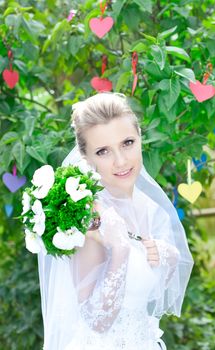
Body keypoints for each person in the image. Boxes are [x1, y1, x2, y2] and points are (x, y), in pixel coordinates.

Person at [38, 92, 194, 350]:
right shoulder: (90, 218)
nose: (121, 161)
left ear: (140, 138)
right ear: (86, 158)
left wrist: (168, 256)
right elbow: (96, 321)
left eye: (127, 143)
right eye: (103, 151)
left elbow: (145, 296)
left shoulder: (148, 208)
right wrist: (120, 251)